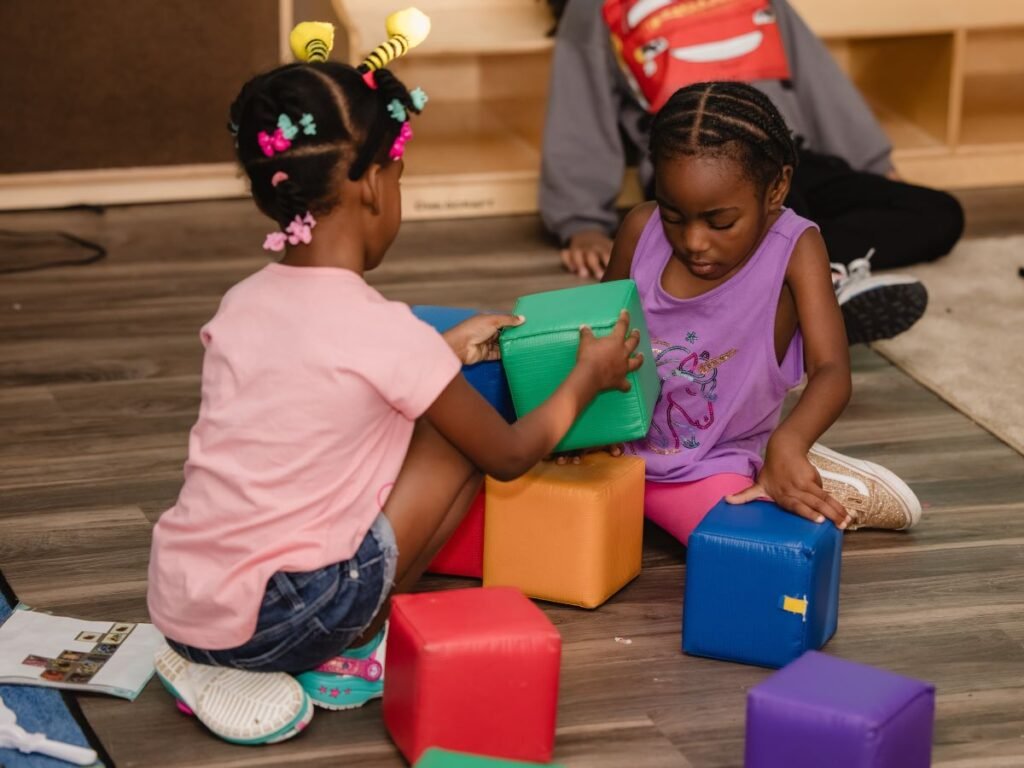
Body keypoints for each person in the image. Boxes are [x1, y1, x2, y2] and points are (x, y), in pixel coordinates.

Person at [146, 19, 643, 746]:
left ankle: (204, 660)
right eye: (401, 178)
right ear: (375, 185)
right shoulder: (383, 333)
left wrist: (436, 349)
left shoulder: (241, 303)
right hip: (282, 617)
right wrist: (586, 378)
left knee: (407, 422)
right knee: (464, 441)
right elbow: (508, 454)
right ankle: (341, 645)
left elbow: (313, 382)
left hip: (182, 592)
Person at [601, 80, 922, 546]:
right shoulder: (637, 229)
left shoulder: (795, 249)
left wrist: (787, 443)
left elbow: (831, 369)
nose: (693, 241)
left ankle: (796, 466)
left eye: (720, 222)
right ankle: (791, 468)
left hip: (712, 466)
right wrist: (585, 428)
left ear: (777, 188)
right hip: (615, 455)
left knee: (747, 559)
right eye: (674, 216)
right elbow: (602, 338)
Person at [542, 0, 965, 344]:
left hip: (792, 158)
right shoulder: (595, 7)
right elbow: (579, 110)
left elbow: (817, 79)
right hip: (703, 179)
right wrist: (582, 220)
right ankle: (815, 286)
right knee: (768, 218)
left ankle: (814, 277)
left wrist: (871, 163)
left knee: (941, 214)